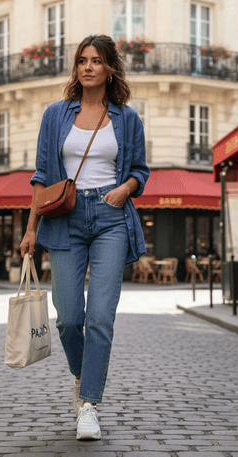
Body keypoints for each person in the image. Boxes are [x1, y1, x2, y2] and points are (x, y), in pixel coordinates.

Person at [19, 34, 149, 441]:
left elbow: (140, 171)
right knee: (69, 316)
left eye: (96, 61)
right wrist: (30, 229)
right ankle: (81, 376)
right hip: (65, 219)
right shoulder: (56, 114)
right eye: (82, 61)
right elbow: (42, 176)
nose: (88, 67)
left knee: (100, 317)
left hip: (111, 218)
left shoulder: (127, 119)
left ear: (111, 68)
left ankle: (88, 404)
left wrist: (126, 188)